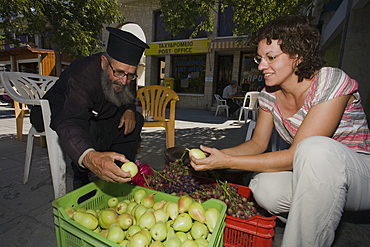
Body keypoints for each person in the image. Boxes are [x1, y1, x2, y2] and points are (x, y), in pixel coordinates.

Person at [190, 15, 370, 246]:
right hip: (314, 178)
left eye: (271, 57)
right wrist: (216, 155)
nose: (261, 66)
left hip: (360, 176)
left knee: (315, 149)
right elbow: (257, 144)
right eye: (260, 58)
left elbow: (297, 154)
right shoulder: (269, 94)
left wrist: (227, 162)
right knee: (263, 187)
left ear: (299, 56)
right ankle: (317, 219)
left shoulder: (329, 80)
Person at [30, 27, 149, 189]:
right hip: (59, 110)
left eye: (130, 75)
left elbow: (128, 92)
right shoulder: (83, 72)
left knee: (135, 119)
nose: (124, 80)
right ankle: (81, 175)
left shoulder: (126, 75)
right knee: (89, 125)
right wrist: (89, 157)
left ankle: (120, 172)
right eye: (119, 72)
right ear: (104, 62)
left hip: (97, 111)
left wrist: (129, 110)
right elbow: (71, 119)